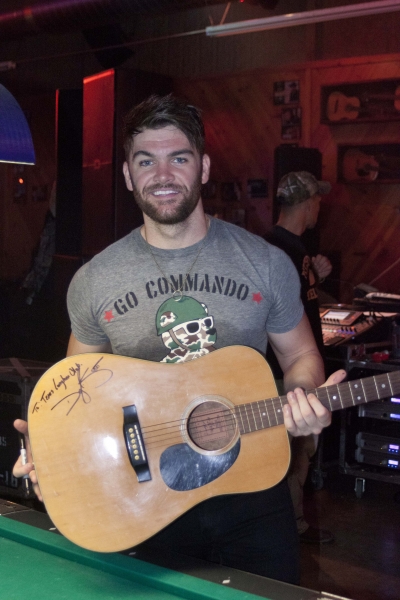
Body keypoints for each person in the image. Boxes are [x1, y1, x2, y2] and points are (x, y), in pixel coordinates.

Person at [13, 95, 345, 585]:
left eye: (179, 158)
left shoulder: (266, 262)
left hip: (253, 498)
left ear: (203, 168)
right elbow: (75, 395)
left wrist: (304, 397)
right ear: (128, 175)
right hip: (144, 504)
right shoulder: (95, 280)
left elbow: (300, 355)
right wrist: (52, 454)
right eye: (146, 161)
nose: (163, 175)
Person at [265, 171, 334, 545]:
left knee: (301, 451)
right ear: (308, 203)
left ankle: (293, 526)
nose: (319, 207)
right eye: (318, 200)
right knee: (293, 452)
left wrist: (316, 278)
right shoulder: (276, 251)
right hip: (285, 373)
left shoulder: (293, 248)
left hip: (296, 369)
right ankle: (292, 529)